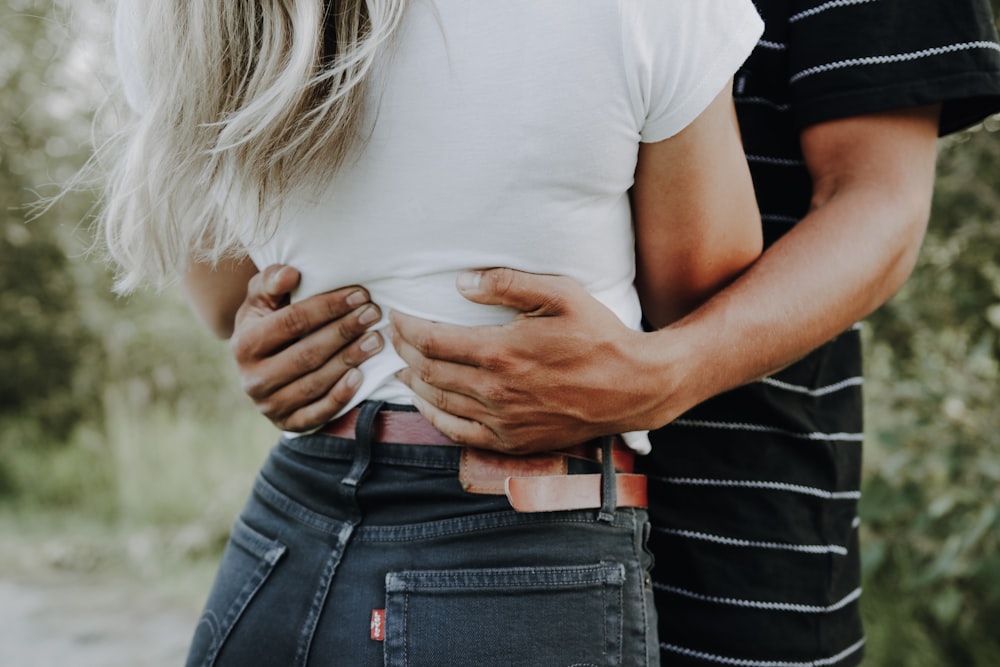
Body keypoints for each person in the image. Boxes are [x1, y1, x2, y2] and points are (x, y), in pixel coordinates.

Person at [229, 2, 1000, 665]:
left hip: (742, 534)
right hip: (462, 533)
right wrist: (277, 322)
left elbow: (883, 203)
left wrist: (667, 373)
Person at [104, 0, 767, 664]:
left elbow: (226, 301)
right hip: (519, 549)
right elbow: (699, 285)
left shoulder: (167, 14)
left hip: (282, 537)